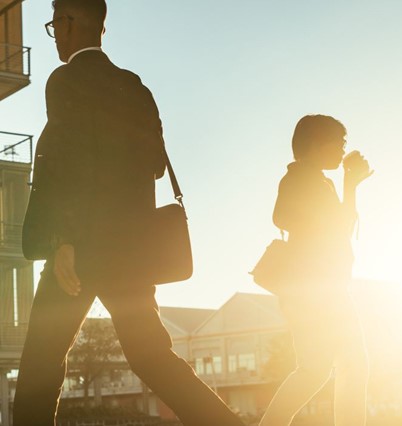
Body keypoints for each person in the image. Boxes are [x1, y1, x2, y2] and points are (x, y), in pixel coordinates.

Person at [13, 1, 244, 425]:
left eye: (54, 24)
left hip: (78, 251)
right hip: (130, 252)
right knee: (153, 358)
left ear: (71, 22)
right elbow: (155, 165)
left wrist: (62, 238)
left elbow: (69, 164)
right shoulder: (137, 88)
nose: (55, 36)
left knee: (38, 372)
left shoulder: (65, 81)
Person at [258, 115, 372, 426]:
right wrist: (347, 186)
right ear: (315, 144)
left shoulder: (319, 181)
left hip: (321, 289)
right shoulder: (299, 178)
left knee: (330, 366)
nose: (342, 149)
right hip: (315, 290)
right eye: (339, 142)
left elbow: (341, 228)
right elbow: (282, 217)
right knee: (334, 366)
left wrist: (350, 184)